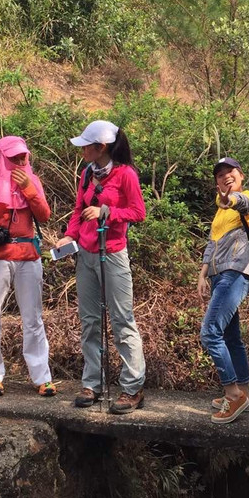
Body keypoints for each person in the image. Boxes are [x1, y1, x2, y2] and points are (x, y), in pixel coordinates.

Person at [54, 120, 147, 414]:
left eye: (86, 145)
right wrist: (69, 234)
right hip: (86, 254)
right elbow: (79, 210)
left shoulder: (125, 174)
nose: (82, 150)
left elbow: (138, 212)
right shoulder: (86, 174)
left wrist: (107, 211)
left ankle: (132, 387)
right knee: (90, 321)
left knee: (121, 320)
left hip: (114, 253)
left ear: (101, 147)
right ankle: (91, 383)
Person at [0, 135, 56, 397]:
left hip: (28, 256)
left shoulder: (32, 180)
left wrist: (28, 188)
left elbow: (44, 216)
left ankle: (42, 377)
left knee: (33, 319)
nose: (19, 161)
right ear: (1, 158)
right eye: (13, 158)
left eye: (23, 157)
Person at [198, 157, 249, 424]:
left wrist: (232, 199)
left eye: (230, 173)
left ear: (241, 175)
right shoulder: (220, 213)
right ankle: (245, 393)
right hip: (218, 276)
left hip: (235, 272)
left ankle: (233, 393)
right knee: (231, 336)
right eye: (220, 175)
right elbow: (211, 244)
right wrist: (202, 274)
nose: (225, 177)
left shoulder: (248, 197)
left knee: (210, 332)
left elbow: (244, 202)